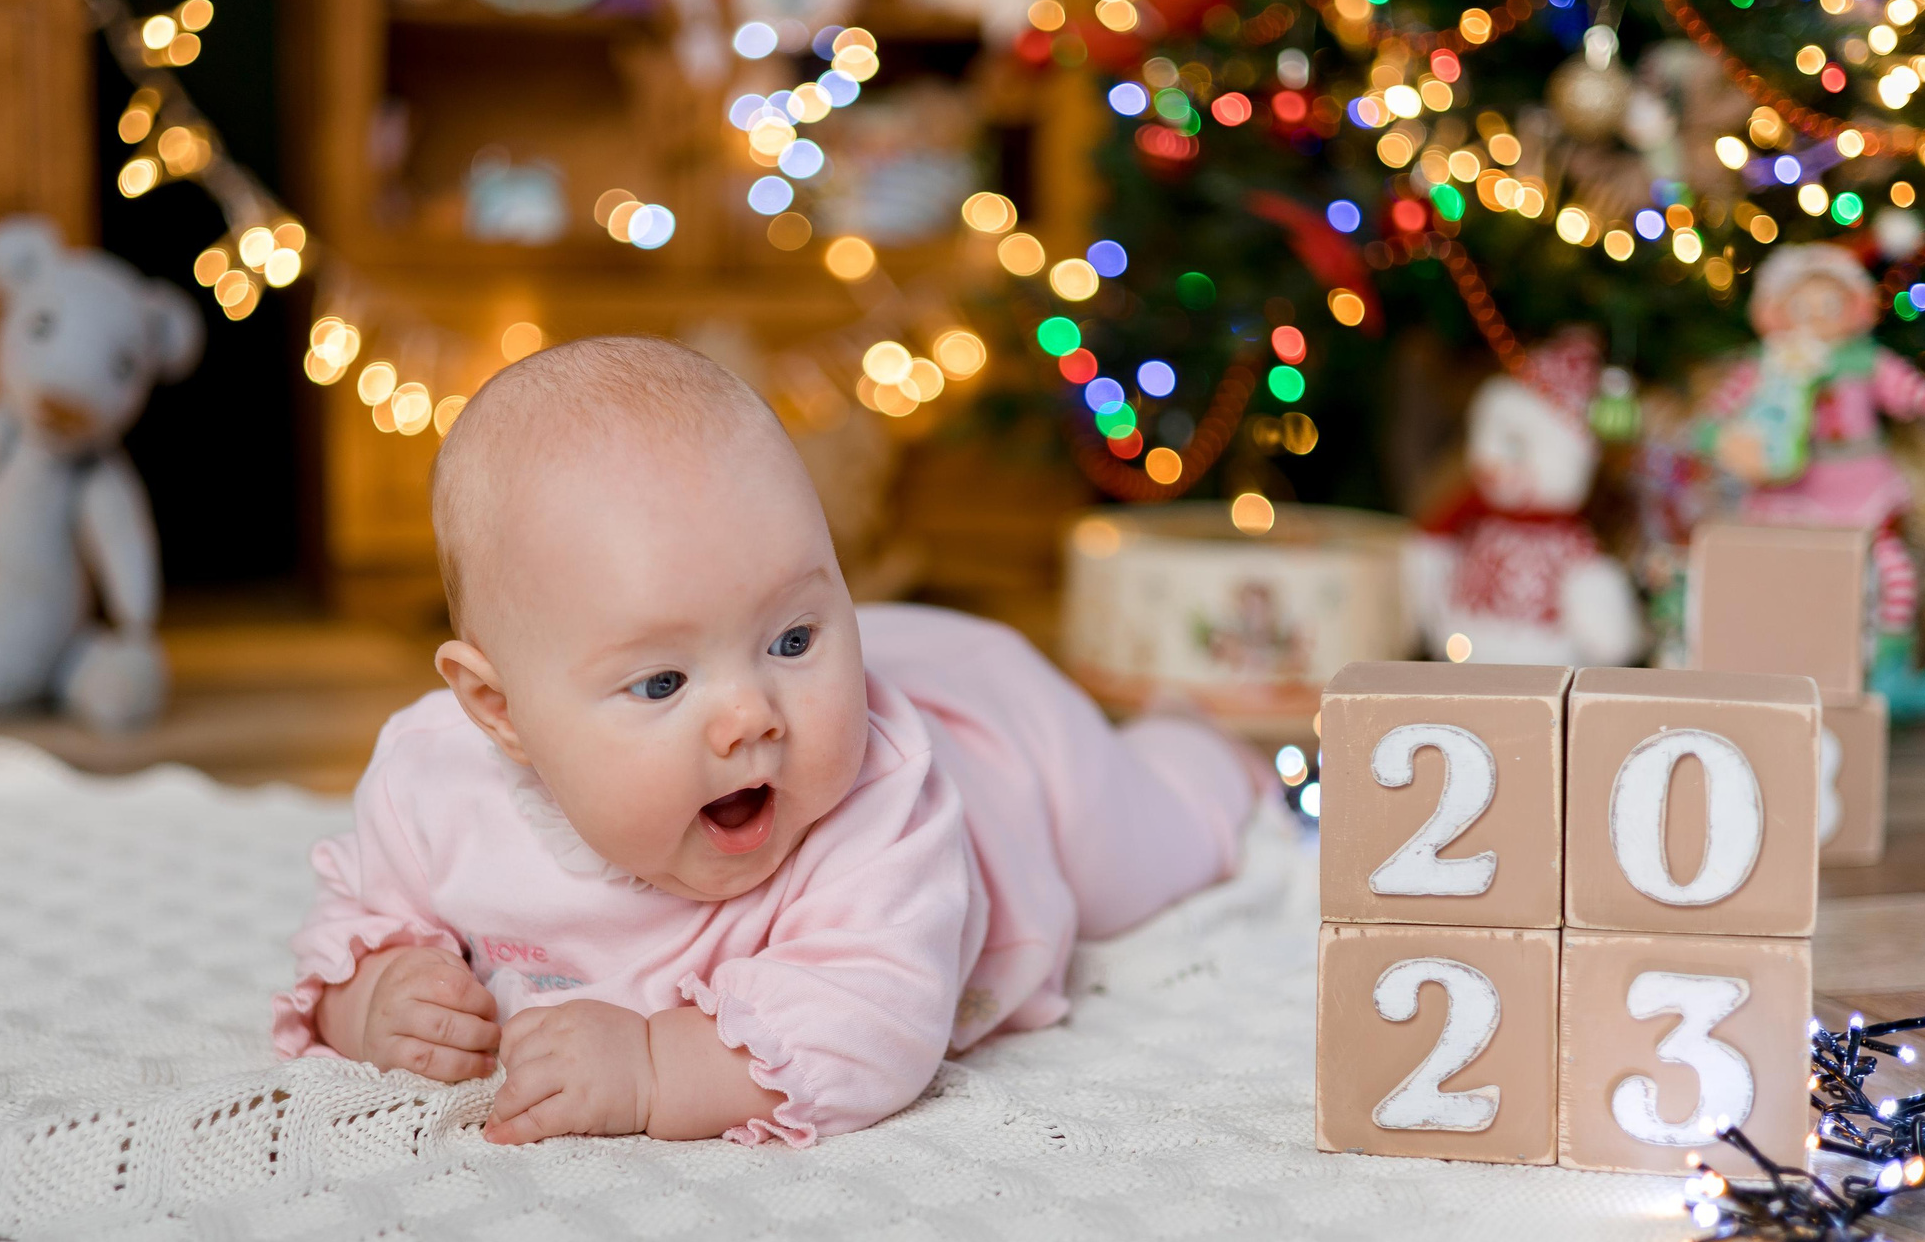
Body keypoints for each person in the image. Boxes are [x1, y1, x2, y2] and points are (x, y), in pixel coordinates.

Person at [275, 337, 1262, 1146]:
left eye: (794, 637)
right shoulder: (434, 782)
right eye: (661, 681)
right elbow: (357, 920)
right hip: (939, 672)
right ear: (498, 713)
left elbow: (874, 1018)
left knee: (1148, 851)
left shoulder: (878, 803)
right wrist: (369, 1001)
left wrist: (654, 1067)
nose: (752, 714)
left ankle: (1200, 747)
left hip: (1013, 745)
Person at [1692, 244, 1925, 719]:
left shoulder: (1869, 364)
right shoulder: (1767, 366)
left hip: (1860, 490)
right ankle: (1783, 669)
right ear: (1774, 312)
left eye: (1828, 305)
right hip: (1789, 496)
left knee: (1891, 574)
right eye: (1800, 306)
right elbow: (1711, 421)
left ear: (1853, 307)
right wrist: (1727, 442)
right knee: (1789, 584)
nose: (1814, 317)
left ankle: (1887, 677)